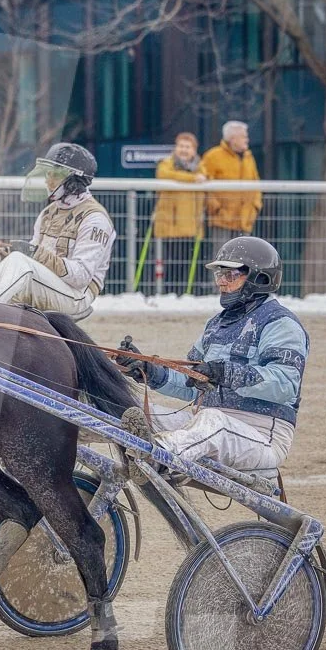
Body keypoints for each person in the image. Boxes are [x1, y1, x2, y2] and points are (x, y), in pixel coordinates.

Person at [117, 236, 306, 475]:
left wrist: (225, 373)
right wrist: (147, 370)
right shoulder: (216, 324)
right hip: (205, 427)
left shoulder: (280, 323)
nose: (221, 282)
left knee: (212, 421)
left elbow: (285, 385)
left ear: (260, 278)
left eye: (231, 275)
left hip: (261, 436)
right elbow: (190, 384)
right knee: (128, 407)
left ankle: (156, 456)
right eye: (220, 274)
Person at [0, 141, 114, 321]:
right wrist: (2, 252)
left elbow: (81, 277)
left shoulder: (95, 219)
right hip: (48, 284)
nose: (47, 180)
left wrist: (33, 254)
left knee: (19, 262)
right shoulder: (49, 212)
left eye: (55, 175)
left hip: (75, 296)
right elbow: (33, 256)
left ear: (73, 181)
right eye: (48, 174)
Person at [200, 121, 262, 280]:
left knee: (244, 260)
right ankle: (219, 291)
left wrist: (255, 206)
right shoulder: (213, 156)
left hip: (244, 219)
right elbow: (205, 186)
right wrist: (216, 208)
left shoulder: (249, 157)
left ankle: (240, 292)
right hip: (222, 219)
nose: (247, 140)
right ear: (232, 138)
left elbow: (256, 184)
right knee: (222, 258)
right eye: (243, 136)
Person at [152, 132, 206, 294]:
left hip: (191, 223)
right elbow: (163, 174)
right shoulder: (167, 164)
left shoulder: (200, 166)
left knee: (187, 262)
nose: (184, 150)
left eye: (188, 147)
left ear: (194, 150)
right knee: (171, 262)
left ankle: (186, 293)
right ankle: (169, 292)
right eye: (181, 146)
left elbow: (205, 177)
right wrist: (191, 179)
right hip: (171, 222)